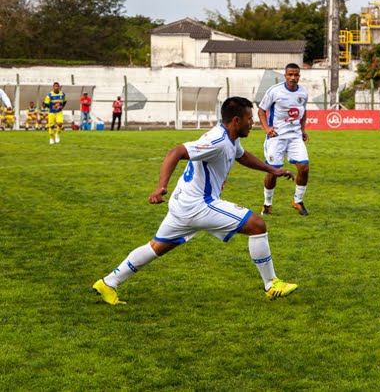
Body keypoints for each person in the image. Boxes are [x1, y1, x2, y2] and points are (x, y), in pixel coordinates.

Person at [92, 97, 298, 305]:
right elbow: (176, 152)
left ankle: (109, 282)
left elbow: (241, 156)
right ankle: (271, 285)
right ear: (236, 120)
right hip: (198, 204)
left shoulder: (231, 137)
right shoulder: (216, 140)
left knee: (156, 247)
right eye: (249, 118)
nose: (252, 123)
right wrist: (161, 186)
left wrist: (271, 169)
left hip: (182, 202)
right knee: (257, 224)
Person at [258, 63, 310, 216]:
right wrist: (267, 128)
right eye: (290, 74)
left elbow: (303, 112)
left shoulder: (303, 93)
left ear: (299, 76)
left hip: (295, 136)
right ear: (285, 75)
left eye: (296, 75)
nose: (293, 78)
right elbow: (261, 110)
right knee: (273, 172)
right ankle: (267, 204)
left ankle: (297, 201)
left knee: (304, 168)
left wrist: (303, 130)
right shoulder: (275, 91)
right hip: (277, 137)